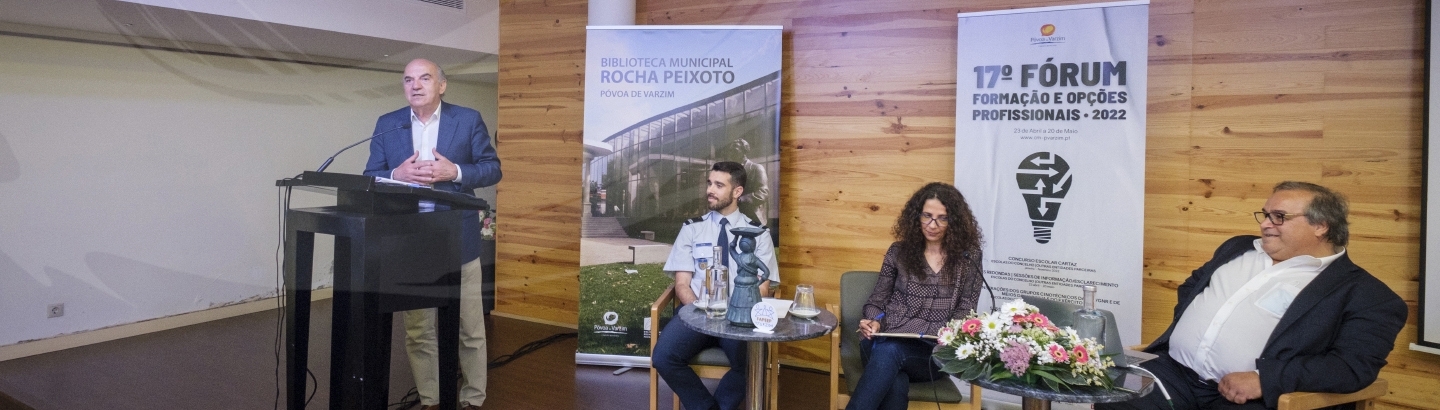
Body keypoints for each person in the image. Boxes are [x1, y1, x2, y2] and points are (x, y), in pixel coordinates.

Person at [1098, 181, 1406, 410]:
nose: (1265, 224)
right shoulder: (1238, 248)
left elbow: (1351, 367)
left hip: (1251, 399)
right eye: (1265, 214)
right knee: (1111, 395)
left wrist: (1265, 379)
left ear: (1321, 226)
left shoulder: (1367, 296)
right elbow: (1193, 285)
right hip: (1174, 370)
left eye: (1279, 217)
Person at [363, 58, 501, 410]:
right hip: (412, 243)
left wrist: (454, 171)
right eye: (408, 79)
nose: (416, 85)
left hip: (458, 239)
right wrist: (397, 174)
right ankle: (431, 399)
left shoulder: (467, 119)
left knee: (469, 328)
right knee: (418, 329)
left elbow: (491, 169)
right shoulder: (387, 124)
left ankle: (472, 400)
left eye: (425, 78)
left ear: (442, 85)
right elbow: (370, 176)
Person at [847, 182, 985, 410]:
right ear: (916, 216)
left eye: (942, 218)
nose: (933, 225)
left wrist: (949, 335)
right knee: (893, 368)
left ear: (955, 222)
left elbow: (966, 310)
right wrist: (873, 321)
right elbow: (876, 301)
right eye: (927, 216)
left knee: (892, 363)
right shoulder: (898, 252)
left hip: (931, 353)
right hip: (883, 339)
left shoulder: (968, 258)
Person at [654, 161, 780, 410]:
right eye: (709, 183)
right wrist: (702, 311)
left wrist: (732, 314)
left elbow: (763, 288)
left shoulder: (758, 233)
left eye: (719, 185)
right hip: (697, 313)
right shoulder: (692, 229)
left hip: (738, 318)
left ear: (737, 192)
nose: (710, 190)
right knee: (663, 357)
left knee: (750, 363)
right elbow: (682, 284)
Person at [724, 138, 770, 228]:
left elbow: (763, 192)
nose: (731, 152)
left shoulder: (756, 168)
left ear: (744, 150)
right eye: (730, 150)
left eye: (735, 150)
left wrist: (742, 199)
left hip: (752, 217)